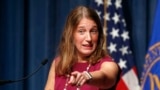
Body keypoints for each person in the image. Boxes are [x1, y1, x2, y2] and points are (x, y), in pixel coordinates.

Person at [45, 6, 120, 90]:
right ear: (71, 34)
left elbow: (106, 78)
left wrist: (87, 76)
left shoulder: (108, 64)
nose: (89, 38)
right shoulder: (58, 63)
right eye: (81, 31)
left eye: (93, 31)